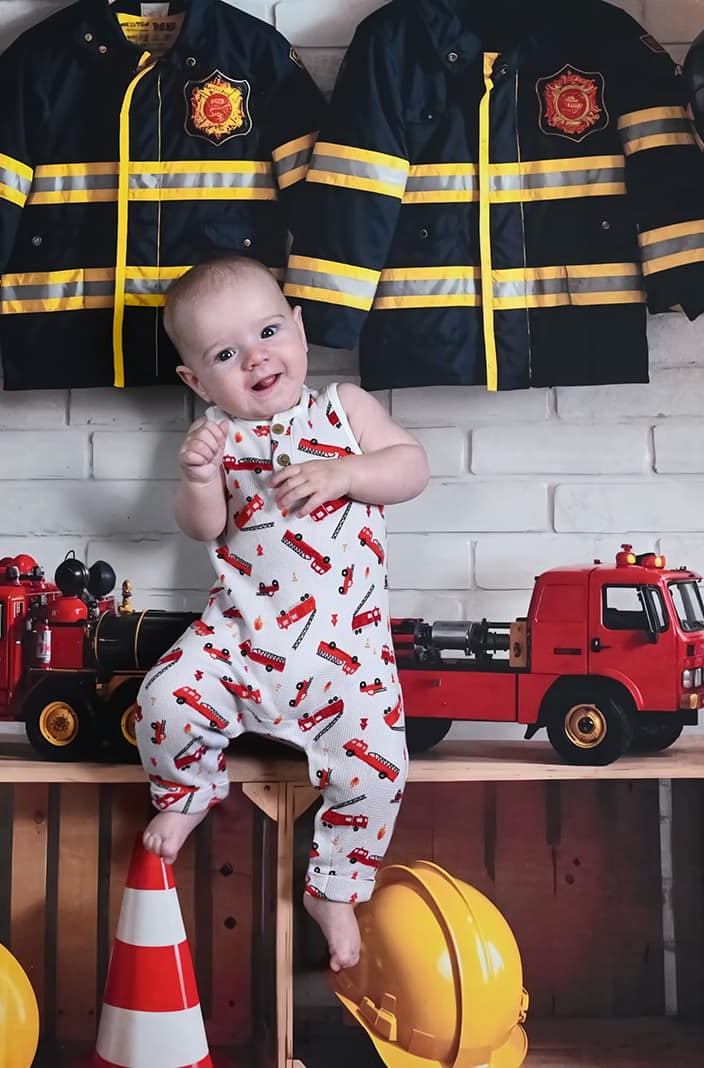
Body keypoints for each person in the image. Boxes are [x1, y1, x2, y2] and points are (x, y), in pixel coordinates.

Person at [135, 254, 430, 971]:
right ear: (197, 382)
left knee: (381, 769)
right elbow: (203, 528)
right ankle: (189, 789)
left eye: (269, 332)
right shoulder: (216, 439)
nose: (256, 358)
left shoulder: (343, 409)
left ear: (299, 329)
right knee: (162, 698)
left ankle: (336, 888)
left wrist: (347, 471)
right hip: (238, 638)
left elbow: (412, 468)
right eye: (225, 355)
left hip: (345, 654)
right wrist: (196, 477)